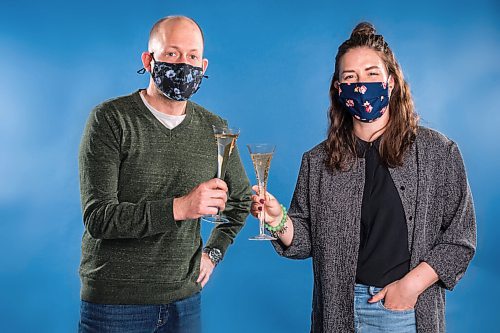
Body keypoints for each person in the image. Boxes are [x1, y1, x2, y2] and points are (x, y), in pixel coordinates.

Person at [251, 22, 476, 333]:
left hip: (404, 312)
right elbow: (303, 241)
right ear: (338, 89)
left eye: (372, 74)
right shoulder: (317, 161)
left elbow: (459, 240)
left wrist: (409, 288)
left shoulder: (438, 152)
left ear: (391, 82)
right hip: (337, 313)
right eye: (350, 77)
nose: (361, 85)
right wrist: (277, 220)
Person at [78, 15, 251, 332]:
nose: (184, 64)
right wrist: (181, 207)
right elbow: (99, 217)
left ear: (204, 65)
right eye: (172, 53)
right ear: (148, 60)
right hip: (115, 306)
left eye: (192, 56)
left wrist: (213, 253)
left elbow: (240, 203)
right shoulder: (110, 119)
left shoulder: (216, 129)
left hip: (184, 304)